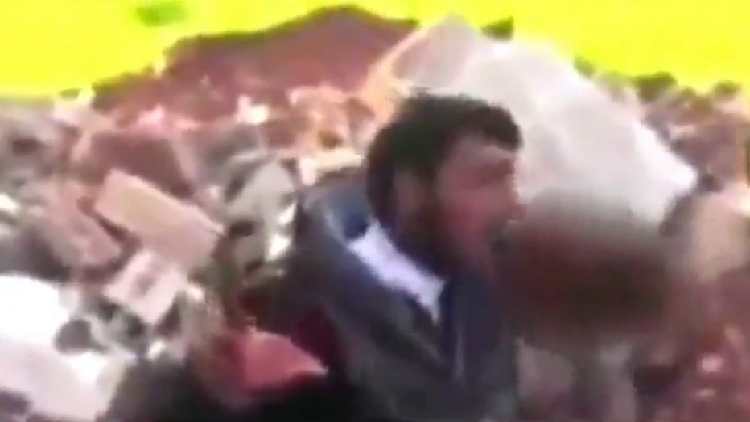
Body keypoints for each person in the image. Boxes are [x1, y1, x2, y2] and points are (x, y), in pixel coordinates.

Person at [278, 93, 525, 421]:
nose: (512, 206)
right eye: (484, 181)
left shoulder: (487, 295)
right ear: (411, 190)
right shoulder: (311, 320)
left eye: (510, 179)